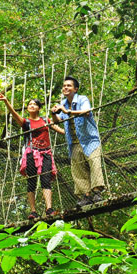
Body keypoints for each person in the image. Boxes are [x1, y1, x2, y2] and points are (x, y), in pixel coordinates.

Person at [0, 94, 64, 219]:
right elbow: (14, 114)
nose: (31, 106)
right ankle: (33, 211)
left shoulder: (45, 120)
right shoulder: (26, 122)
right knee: (32, 181)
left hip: (46, 153)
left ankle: (49, 208)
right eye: (29, 104)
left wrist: (73, 129)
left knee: (46, 179)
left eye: (34, 104)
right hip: (31, 154)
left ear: (39, 108)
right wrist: (6, 101)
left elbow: (60, 129)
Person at [51, 76, 105, 208]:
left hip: (90, 140)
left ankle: (97, 193)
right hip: (74, 142)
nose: (65, 88)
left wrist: (67, 111)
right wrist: (53, 114)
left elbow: (86, 112)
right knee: (78, 169)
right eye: (64, 86)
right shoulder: (63, 103)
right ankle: (86, 196)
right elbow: (58, 120)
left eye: (69, 86)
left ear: (75, 89)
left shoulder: (82, 99)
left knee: (94, 163)